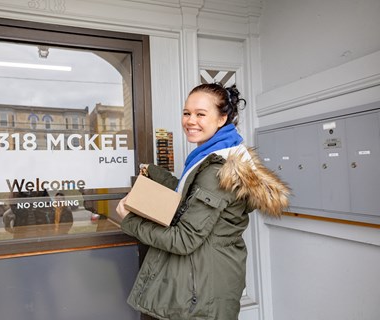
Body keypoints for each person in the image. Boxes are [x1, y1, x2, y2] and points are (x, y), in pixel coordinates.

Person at [116, 82, 290, 320]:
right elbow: (189, 195)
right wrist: (155, 173)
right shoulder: (214, 155)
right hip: (203, 284)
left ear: (222, 119)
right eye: (187, 113)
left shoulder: (219, 169)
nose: (190, 120)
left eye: (200, 114)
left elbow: (184, 239)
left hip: (201, 293)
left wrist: (129, 221)